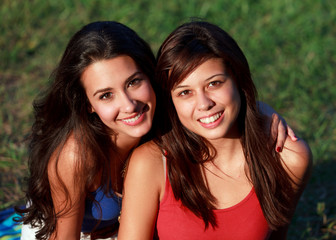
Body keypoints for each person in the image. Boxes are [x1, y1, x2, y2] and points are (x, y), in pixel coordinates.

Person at [16, 20, 294, 240]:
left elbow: (213, 100)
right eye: (105, 95)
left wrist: (260, 111)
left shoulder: (165, 113)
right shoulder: (76, 155)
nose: (129, 105)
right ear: (87, 104)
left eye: (134, 82)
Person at [118, 21, 312, 240]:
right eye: (185, 93)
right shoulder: (151, 164)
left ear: (237, 79)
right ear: (170, 101)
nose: (204, 103)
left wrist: (259, 112)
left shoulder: (288, 158)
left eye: (214, 84)